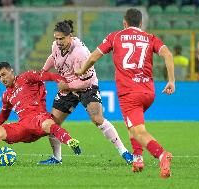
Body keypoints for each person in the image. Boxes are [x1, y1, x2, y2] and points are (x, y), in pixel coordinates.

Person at [75, 8, 175, 178]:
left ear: (124, 22)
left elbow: (92, 58)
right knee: (133, 125)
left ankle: (161, 155)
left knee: (138, 131)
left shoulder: (115, 36)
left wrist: (80, 70)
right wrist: (171, 80)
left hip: (130, 92)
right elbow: (168, 54)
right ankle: (137, 158)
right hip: (148, 92)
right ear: (141, 23)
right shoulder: (150, 38)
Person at [38, 20, 133, 165]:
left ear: (70, 36)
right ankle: (57, 158)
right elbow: (53, 57)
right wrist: (43, 72)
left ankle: (124, 152)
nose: (58, 42)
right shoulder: (55, 46)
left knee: (97, 119)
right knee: (53, 123)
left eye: (61, 38)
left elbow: (86, 82)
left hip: (86, 88)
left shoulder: (81, 53)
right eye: (56, 38)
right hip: (68, 87)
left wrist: (67, 86)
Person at [0, 62, 81, 165]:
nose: (2, 79)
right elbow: (3, 116)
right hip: (23, 126)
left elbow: (49, 76)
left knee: (48, 124)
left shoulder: (27, 77)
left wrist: (66, 83)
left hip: (38, 118)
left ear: (11, 71)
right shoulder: (6, 95)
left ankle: (70, 141)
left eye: (4, 74)